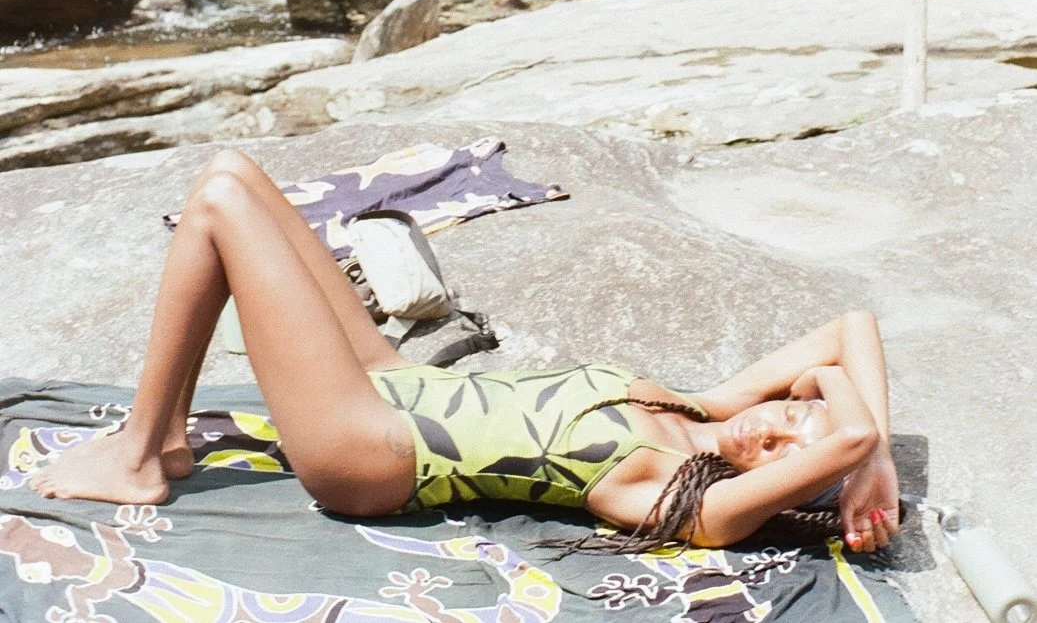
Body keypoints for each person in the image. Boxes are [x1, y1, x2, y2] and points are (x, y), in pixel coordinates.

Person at [30, 150, 900, 557]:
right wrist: (875, 456)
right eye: (790, 409)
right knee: (238, 173)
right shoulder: (697, 404)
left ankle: (143, 449)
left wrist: (857, 457)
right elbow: (848, 326)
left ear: (786, 477)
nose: (773, 423)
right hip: (393, 382)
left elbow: (847, 428)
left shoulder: (679, 497)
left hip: (370, 449)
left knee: (220, 203)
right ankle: (163, 435)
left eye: (788, 447)